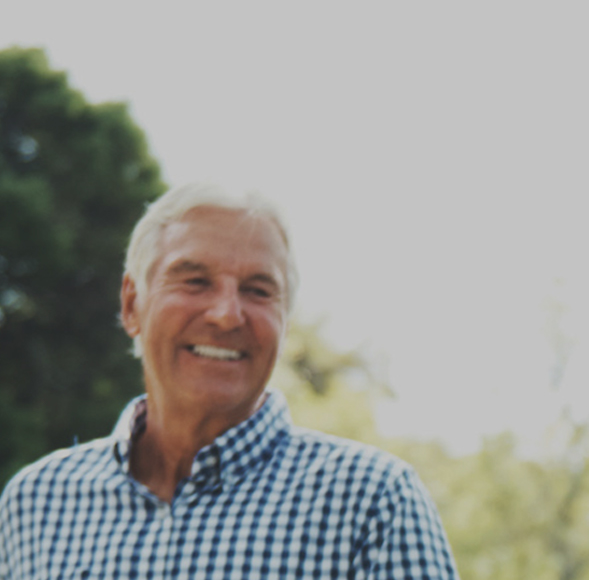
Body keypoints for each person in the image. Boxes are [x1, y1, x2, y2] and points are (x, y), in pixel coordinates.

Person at [0, 184, 459, 580]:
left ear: (284, 318)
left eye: (258, 290)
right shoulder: (37, 501)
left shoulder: (372, 500)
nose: (226, 314)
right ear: (132, 305)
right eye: (195, 281)